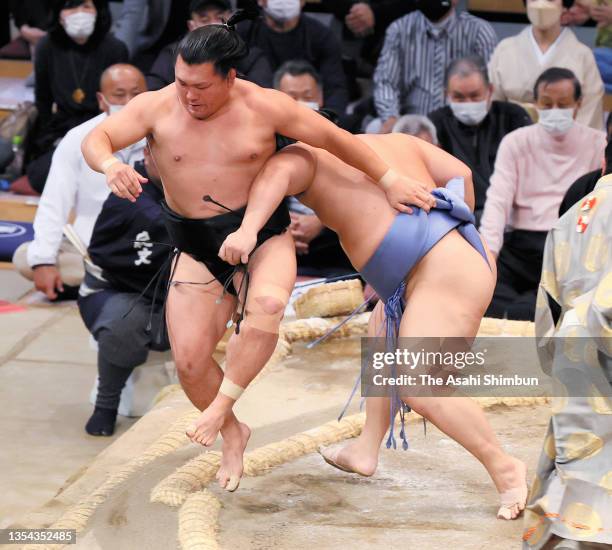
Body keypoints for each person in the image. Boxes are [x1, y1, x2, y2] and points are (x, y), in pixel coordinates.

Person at [81, 12, 436, 492]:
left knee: (268, 305)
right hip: (195, 243)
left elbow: (337, 140)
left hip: (262, 234)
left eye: (201, 86)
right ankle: (233, 432)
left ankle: (220, 408)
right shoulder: (157, 106)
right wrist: (107, 164)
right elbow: (96, 137)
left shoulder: (268, 106)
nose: (189, 96)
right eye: (183, 82)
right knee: (189, 361)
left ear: (231, 77)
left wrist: (389, 179)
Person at [219, 132, 528, 520]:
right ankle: (366, 447)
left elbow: (276, 177)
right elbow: (462, 173)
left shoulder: (299, 157)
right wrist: (453, 229)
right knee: (382, 329)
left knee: (420, 385)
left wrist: (246, 231)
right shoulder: (396, 140)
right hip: (441, 263)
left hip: (445, 272)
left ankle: (505, 468)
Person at [523, 173, 612, 549]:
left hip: (571, 357)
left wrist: (556, 361)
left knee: (573, 471)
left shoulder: (570, 216)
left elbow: (547, 309)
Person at [480, 68, 606, 321]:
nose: (554, 110)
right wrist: (486, 255)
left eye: (563, 104)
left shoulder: (598, 143)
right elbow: (497, 201)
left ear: (578, 105)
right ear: (535, 103)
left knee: (555, 302)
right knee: (480, 290)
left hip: (570, 245)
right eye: (547, 104)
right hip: (519, 245)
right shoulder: (515, 142)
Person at [12, 64, 147, 301]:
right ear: (102, 100)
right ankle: (121, 280)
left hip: (149, 243)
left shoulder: (167, 135)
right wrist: (44, 260)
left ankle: (116, 280)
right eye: (119, 95)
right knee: (26, 256)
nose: (128, 101)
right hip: (91, 249)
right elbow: (54, 203)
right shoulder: (78, 139)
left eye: (136, 94)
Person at [80, 145, 170, 436]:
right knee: (125, 322)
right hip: (117, 289)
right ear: (147, 154)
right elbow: (160, 222)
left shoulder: (202, 186)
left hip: (179, 292)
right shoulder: (130, 189)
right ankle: (106, 404)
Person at [27, 0, 128, 193]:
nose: (79, 13)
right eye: (71, 6)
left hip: (103, 128)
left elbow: (122, 105)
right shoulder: (47, 47)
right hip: (62, 128)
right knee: (41, 175)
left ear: (98, 11)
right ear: (59, 14)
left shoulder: (115, 48)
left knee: (103, 177)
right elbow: (43, 100)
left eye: (87, 6)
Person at [428, 56, 532, 226]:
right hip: (455, 218)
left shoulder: (513, 117)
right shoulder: (435, 124)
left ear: (490, 91)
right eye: (459, 97)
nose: (468, 103)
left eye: (475, 96)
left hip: (511, 217)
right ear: (446, 94)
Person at [274, 60, 353, 276]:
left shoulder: (347, 138)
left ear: (320, 98)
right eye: (292, 98)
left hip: (338, 248)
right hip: (282, 249)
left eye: (308, 97)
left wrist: (321, 222)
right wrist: (282, 225)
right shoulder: (263, 143)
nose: (300, 104)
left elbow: (358, 194)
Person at [373, 0, 497, 133]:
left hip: (462, 124)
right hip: (411, 123)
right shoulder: (399, 29)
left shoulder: (480, 32)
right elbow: (385, 82)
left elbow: (490, 85)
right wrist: (390, 117)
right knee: (374, 129)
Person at [488, 0, 604, 130]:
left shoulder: (582, 55)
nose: (541, 4)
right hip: (511, 139)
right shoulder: (505, 49)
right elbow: (492, 105)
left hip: (567, 141)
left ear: (564, 5)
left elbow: (589, 111)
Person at [237, 0, 349, 115]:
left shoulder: (322, 36)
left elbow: (335, 88)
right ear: (260, 1)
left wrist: (330, 121)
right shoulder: (242, 34)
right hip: (256, 113)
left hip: (312, 115)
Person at [147, 0, 273, 90]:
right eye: (204, 20)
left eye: (219, 17)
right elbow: (154, 91)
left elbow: (262, 97)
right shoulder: (172, 54)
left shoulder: (251, 56)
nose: (213, 25)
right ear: (192, 26)